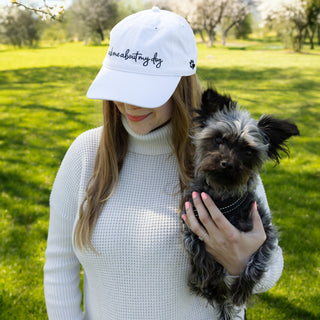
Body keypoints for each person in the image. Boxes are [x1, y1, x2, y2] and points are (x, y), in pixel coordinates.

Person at [43, 7, 283, 320]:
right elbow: (60, 264)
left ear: (181, 85)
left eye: (145, 91)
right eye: (120, 87)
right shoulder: (86, 153)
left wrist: (241, 264)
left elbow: (270, 263)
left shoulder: (222, 161)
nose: (129, 104)